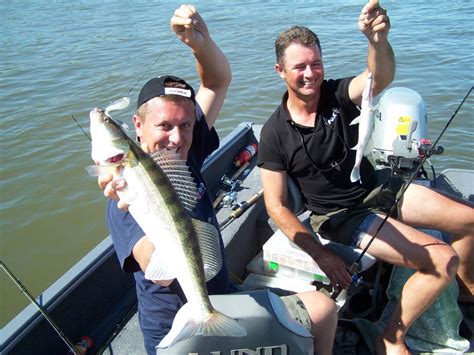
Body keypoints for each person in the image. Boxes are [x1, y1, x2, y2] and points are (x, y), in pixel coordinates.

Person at [99, 5, 337, 354]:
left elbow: (216, 80)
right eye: (164, 126)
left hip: (224, 302)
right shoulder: (121, 199)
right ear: (137, 125)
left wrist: (199, 42)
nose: (177, 137)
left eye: (185, 124)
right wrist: (134, 197)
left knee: (325, 308)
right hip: (178, 328)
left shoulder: (185, 154)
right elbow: (159, 271)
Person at [257, 1, 474, 354]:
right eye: (300, 67)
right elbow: (276, 206)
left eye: (316, 63)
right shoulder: (273, 134)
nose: (310, 73)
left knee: (470, 219)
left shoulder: (337, 95)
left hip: (380, 188)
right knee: (440, 259)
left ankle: (464, 291)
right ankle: (390, 337)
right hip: (344, 216)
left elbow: (379, 78)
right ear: (279, 70)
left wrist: (377, 41)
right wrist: (320, 255)